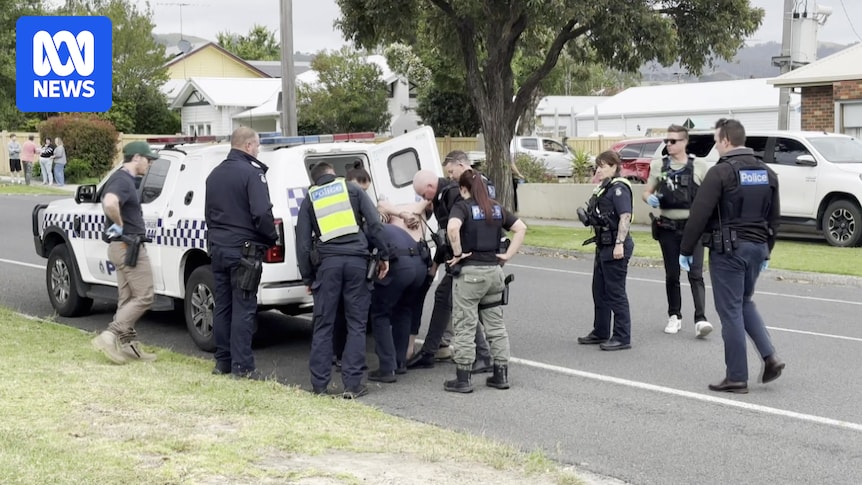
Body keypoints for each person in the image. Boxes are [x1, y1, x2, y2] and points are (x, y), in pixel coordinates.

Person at [680, 119, 785, 394]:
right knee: (744, 302)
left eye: (716, 140)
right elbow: (774, 217)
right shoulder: (767, 172)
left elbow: (699, 214)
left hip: (729, 251)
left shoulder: (721, 172)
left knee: (730, 312)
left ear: (726, 140)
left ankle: (737, 376)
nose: (715, 145)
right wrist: (767, 250)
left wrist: (685, 249)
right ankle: (770, 357)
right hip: (757, 249)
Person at [296, 162, 391, 399]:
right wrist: (384, 255)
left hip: (327, 266)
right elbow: (375, 225)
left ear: (315, 179)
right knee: (356, 324)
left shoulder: (310, 199)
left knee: (323, 324)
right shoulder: (353, 189)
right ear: (333, 174)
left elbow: (303, 243)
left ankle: (319, 386)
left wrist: (308, 276)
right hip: (357, 264)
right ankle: (352, 385)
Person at [205, 127, 277, 380]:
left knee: (222, 306)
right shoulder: (252, 173)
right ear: (248, 146)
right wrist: (271, 238)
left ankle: (222, 361)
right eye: (257, 146)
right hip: (244, 252)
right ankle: (243, 367)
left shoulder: (214, 175)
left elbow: (209, 215)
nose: (258, 150)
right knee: (244, 308)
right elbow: (261, 213)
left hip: (218, 249)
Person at [444, 171, 527, 392]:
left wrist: (458, 253)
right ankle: (501, 374)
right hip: (494, 273)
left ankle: (463, 378)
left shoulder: (462, 207)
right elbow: (521, 228)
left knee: (465, 325)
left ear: (463, 189)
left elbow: (452, 228)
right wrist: (508, 255)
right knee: (496, 326)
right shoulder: (496, 208)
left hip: (470, 274)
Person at [406, 164, 492, 374]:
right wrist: (436, 265)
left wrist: (457, 256)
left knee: (464, 306)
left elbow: (456, 229)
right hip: (463, 256)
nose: (423, 200)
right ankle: (430, 351)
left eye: (422, 195)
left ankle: (483, 355)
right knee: (446, 297)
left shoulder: (450, 194)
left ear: (429, 186)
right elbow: (444, 236)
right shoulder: (442, 195)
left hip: (466, 258)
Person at [91, 141, 159, 364]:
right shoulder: (122, 179)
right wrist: (119, 224)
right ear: (136, 158)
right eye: (148, 160)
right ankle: (109, 336)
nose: (149, 164)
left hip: (121, 246)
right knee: (145, 296)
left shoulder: (124, 179)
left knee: (128, 298)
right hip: (128, 246)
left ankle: (129, 347)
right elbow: (110, 203)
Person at [643, 124, 713, 338]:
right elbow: (646, 191)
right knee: (672, 274)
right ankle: (674, 315)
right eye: (667, 141)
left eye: (673, 141)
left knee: (695, 274)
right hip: (668, 227)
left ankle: (700, 319)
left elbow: (710, 196)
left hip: (693, 229)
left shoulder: (700, 166)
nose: (669, 144)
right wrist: (649, 199)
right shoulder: (659, 166)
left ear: (684, 142)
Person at [577, 150, 635, 351]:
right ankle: (600, 331)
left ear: (614, 166)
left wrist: (619, 243)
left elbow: (624, 216)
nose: (599, 170)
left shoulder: (619, 189)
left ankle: (622, 337)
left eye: (602, 166)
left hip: (615, 245)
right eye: (598, 166)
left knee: (615, 293)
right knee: (599, 291)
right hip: (603, 244)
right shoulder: (604, 188)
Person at [367, 221, 430, 383]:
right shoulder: (390, 228)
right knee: (404, 310)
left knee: (380, 313)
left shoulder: (367, 230)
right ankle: (400, 362)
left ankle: (387, 368)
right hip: (420, 266)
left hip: (401, 266)